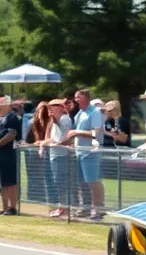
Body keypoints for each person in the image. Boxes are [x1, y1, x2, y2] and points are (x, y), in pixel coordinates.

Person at [63, 89, 105, 218]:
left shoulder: (95, 113)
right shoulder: (80, 113)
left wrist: (76, 133)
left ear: (86, 98)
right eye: (75, 97)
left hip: (91, 152)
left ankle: (98, 208)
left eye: (78, 97)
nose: (76, 100)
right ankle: (86, 207)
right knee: (83, 183)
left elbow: (95, 133)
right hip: (79, 152)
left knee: (93, 182)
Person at [40, 98, 73, 217]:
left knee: (61, 183)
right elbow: (52, 139)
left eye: (52, 107)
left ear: (59, 107)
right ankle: (63, 207)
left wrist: (45, 143)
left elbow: (59, 140)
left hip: (61, 155)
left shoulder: (64, 119)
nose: (50, 110)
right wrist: (43, 144)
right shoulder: (55, 121)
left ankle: (65, 208)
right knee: (58, 182)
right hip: (55, 155)